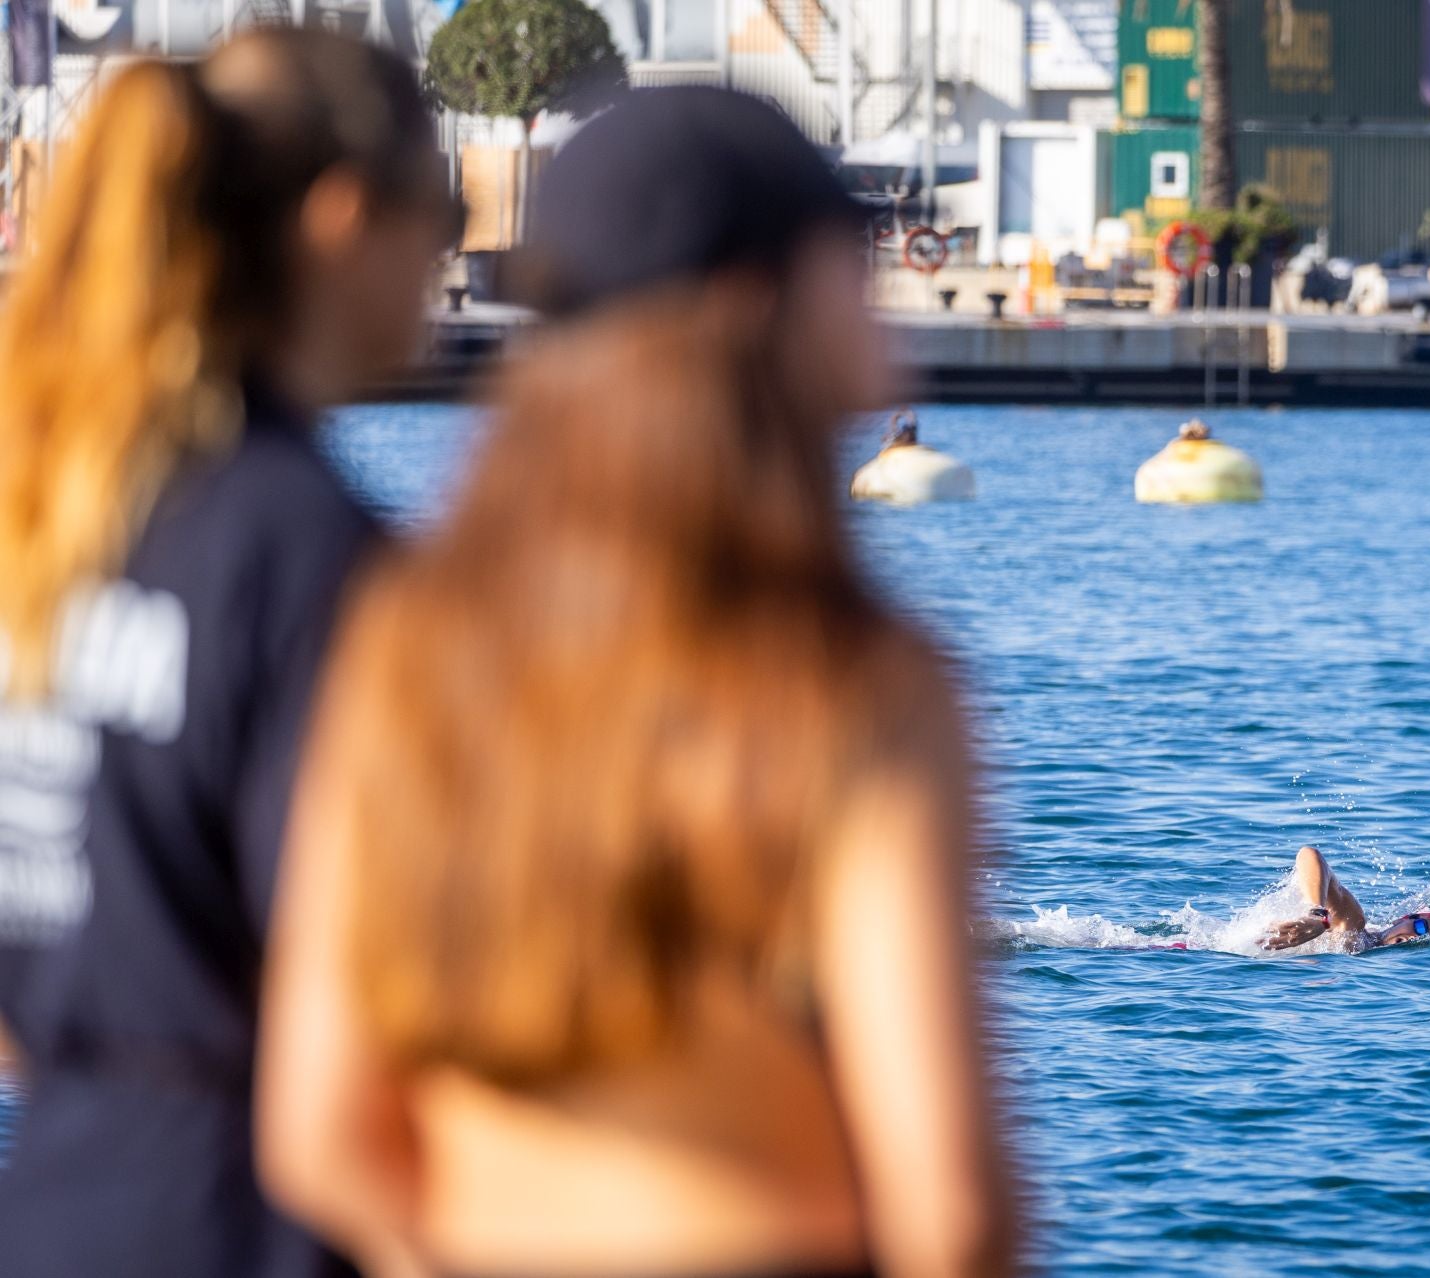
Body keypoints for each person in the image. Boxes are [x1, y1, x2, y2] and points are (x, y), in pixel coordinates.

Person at [258, 87, 1017, 1278]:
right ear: (750, 302)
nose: (884, 335)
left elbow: (318, 1134)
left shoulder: (401, 639)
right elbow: (954, 1213)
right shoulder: (855, 688)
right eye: (852, 270)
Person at [0, 31, 455, 1277]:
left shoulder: (49, 519)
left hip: (56, 1198)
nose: (445, 259)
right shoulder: (311, 556)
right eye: (440, 212)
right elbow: (363, 1026)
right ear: (344, 213)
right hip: (253, 1221)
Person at [1263, 846, 1430, 952]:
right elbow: (1309, 854)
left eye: (1425, 939)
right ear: (1404, 919)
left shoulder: (1364, 948)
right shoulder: (1354, 927)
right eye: (1420, 928)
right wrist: (1316, 915)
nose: (1412, 939)